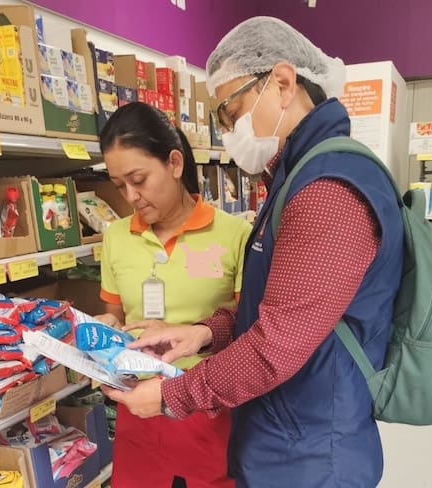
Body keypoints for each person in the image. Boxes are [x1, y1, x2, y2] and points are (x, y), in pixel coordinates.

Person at [102, 17, 405, 488]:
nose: (229, 131)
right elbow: (273, 306)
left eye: (231, 111)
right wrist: (204, 332)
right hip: (283, 434)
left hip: (312, 452)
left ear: (282, 84)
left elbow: (275, 347)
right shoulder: (297, 178)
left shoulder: (328, 190)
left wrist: (172, 395)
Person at [96, 102, 251, 488]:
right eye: (119, 185)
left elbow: (248, 330)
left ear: (175, 163)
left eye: (139, 179)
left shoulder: (234, 235)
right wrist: (105, 328)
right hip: (138, 412)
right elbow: (117, 317)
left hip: (208, 410)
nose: (131, 195)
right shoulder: (116, 238)